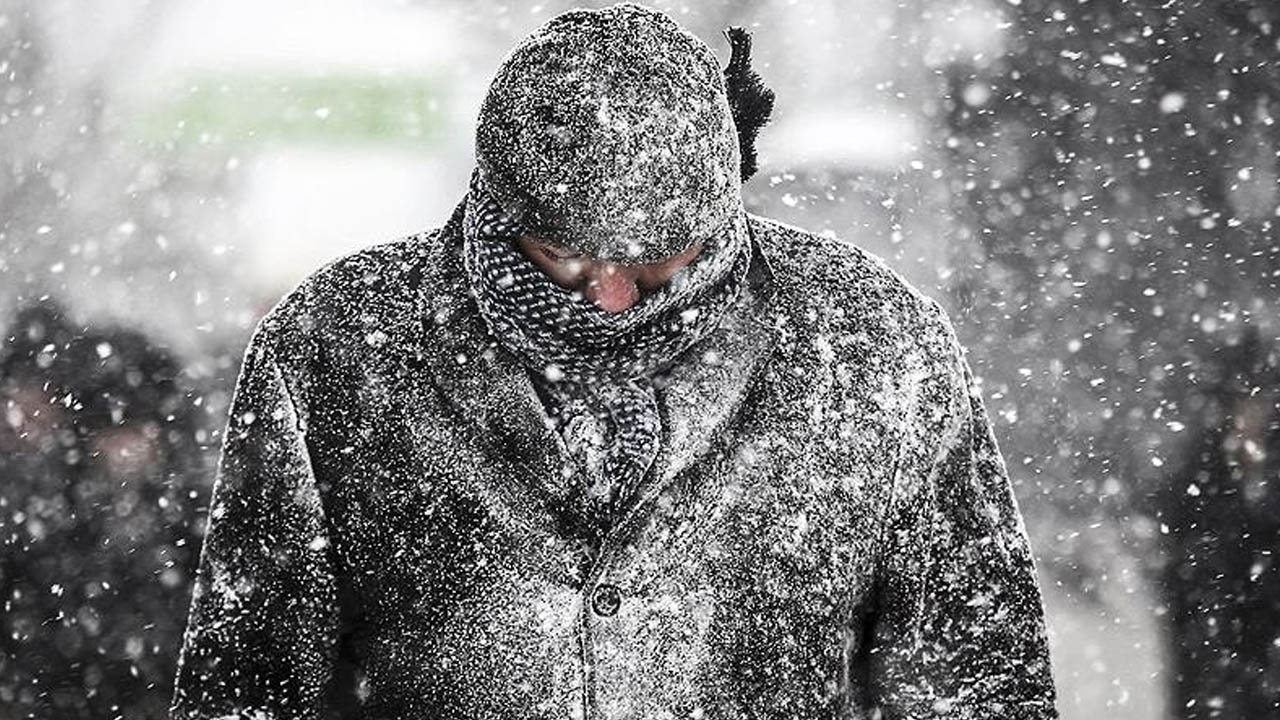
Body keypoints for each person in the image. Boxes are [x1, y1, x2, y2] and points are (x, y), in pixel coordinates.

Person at [171, 4, 1058, 718]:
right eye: (564, 258)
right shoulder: (336, 348)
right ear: (496, 208)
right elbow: (247, 682)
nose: (610, 299)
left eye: (654, 263)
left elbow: (973, 678)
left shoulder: (872, 347)